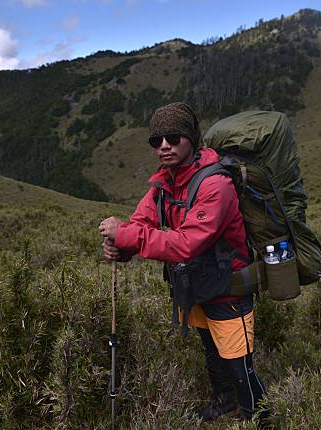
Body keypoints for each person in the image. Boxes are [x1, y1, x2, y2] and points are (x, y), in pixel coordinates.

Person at [98, 102, 267, 422]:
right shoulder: (164, 182)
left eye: (173, 138)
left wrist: (127, 238)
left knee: (238, 362)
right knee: (211, 350)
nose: (164, 146)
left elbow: (189, 242)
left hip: (229, 288)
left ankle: (256, 414)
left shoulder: (215, 184)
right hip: (197, 285)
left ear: (192, 139)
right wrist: (122, 247)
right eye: (156, 140)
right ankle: (225, 400)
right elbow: (140, 223)